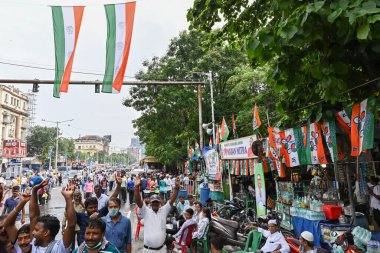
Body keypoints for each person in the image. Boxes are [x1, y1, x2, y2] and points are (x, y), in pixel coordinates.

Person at [134, 175, 181, 253]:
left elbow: (171, 200)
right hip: (148, 250)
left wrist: (176, 188)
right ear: (150, 203)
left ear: (160, 203)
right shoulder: (146, 211)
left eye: (157, 202)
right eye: (153, 202)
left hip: (161, 250)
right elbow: (138, 200)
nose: (155, 204)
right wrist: (136, 187)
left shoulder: (164, 211)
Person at [29, 179, 77, 253]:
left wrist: (68, 199)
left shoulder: (60, 247)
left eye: (36, 230)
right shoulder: (34, 243)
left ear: (46, 233)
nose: (32, 232)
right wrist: (35, 190)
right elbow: (33, 216)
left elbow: (71, 225)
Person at [76, 177, 121, 246]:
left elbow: (112, 198)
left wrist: (119, 185)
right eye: (90, 208)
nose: (93, 209)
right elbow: (69, 213)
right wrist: (69, 198)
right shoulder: (81, 216)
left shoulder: (99, 213)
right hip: (83, 247)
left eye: (95, 207)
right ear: (86, 208)